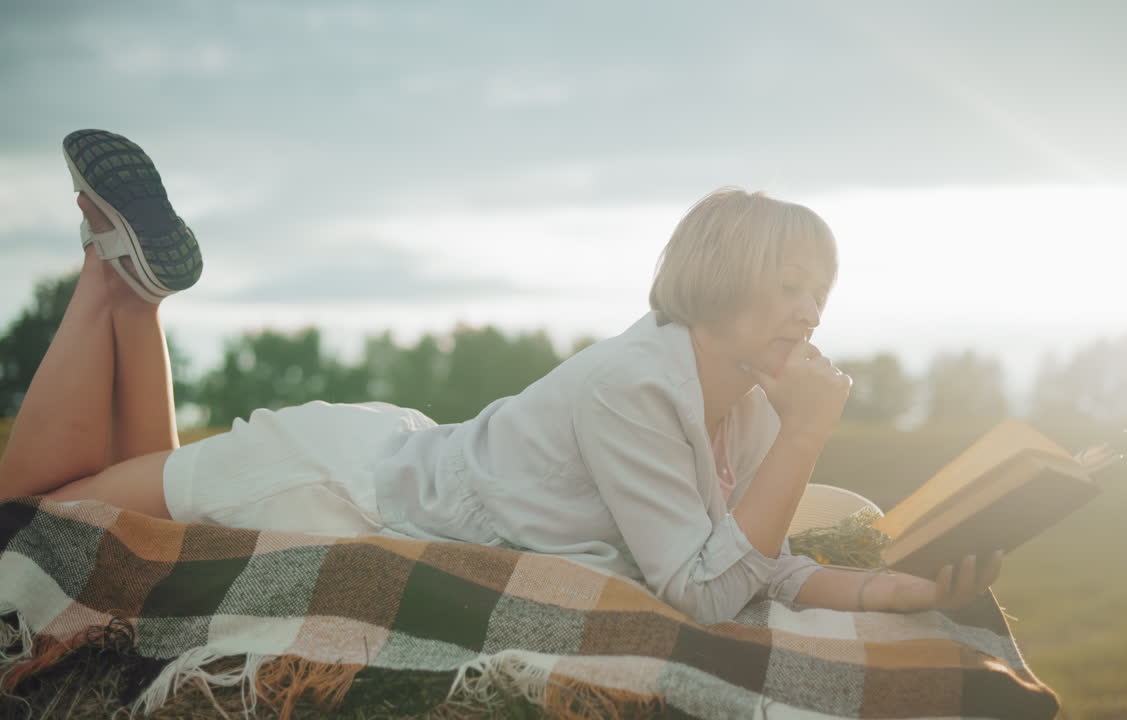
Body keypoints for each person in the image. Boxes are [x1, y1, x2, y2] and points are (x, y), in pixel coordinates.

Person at [0, 129, 1001, 625]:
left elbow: (754, 565)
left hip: (385, 455)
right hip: (330, 482)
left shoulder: (736, 400)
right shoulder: (634, 384)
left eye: (818, 288)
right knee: (37, 518)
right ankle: (108, 276)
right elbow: (704, 593)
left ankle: (127, 281)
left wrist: (895, 594)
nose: (810, 310)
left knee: (128, 488)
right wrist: (809, 436)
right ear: (725, 283)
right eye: (790, 286)